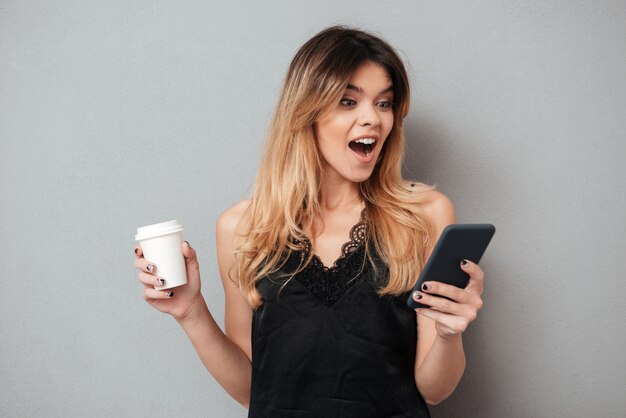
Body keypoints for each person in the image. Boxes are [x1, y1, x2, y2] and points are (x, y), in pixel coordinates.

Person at [134, 26, 485, 417]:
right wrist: (190, 311)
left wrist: (450, 334)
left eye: (384, 103)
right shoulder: (242, 227)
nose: (372, 119)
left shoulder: (425, 215)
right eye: (348, 101)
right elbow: (252, 389)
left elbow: (434, 391)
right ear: (306, 112)